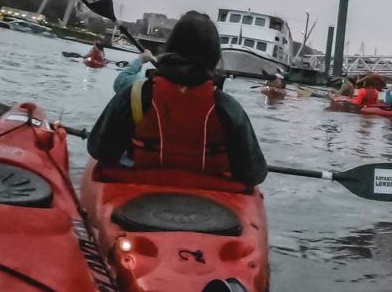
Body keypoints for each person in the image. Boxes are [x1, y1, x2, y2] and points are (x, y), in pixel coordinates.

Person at [87, 11, 268, 186]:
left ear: (170, 47)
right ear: (214, 56)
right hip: (211, 199)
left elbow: (99, 149)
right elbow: (253, 174)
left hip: (139, 191)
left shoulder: (135, 96)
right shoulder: (227, 107)